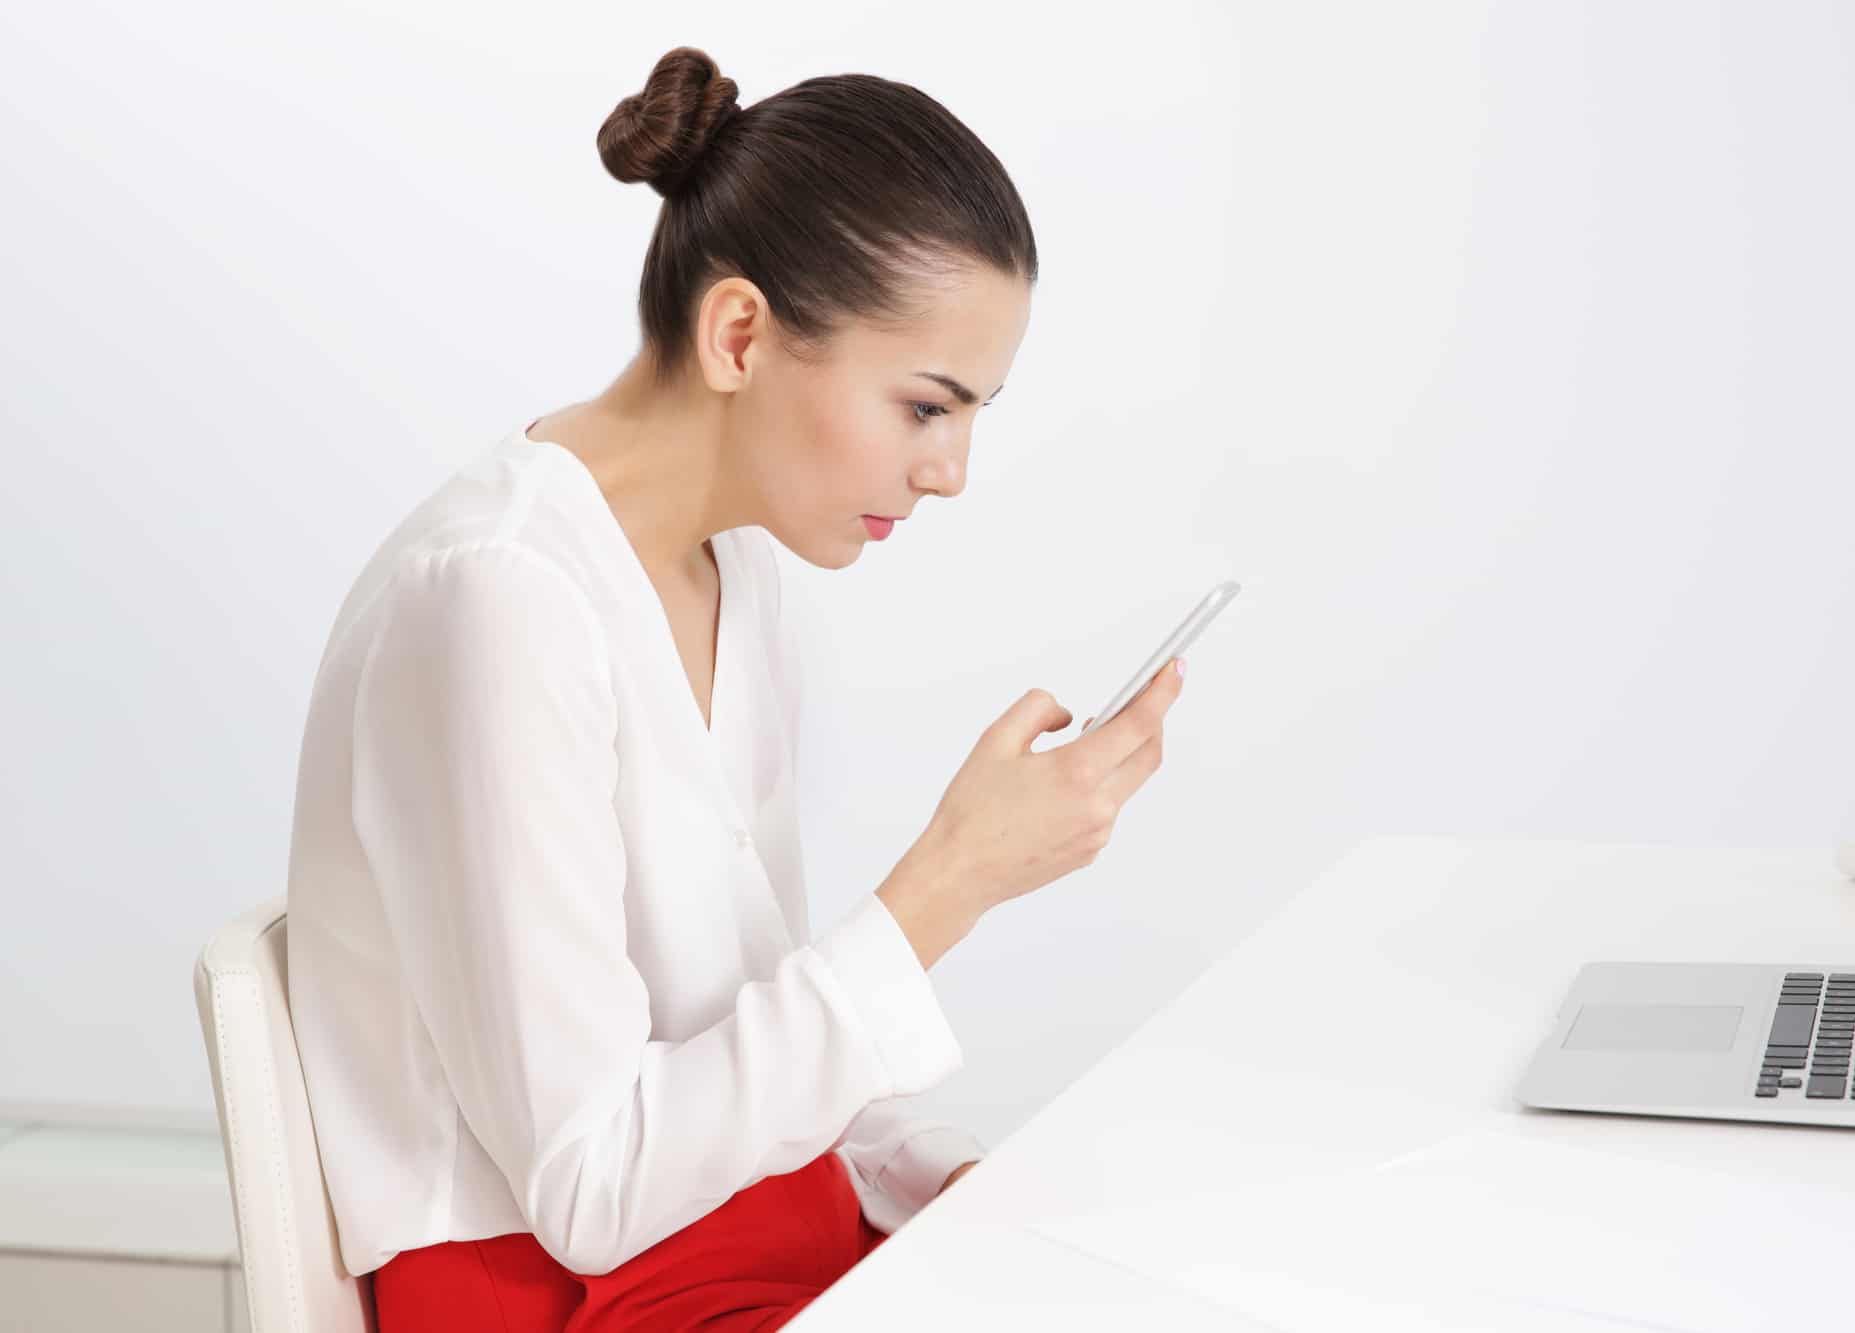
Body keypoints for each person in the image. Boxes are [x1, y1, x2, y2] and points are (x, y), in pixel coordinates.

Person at [285, 45, 1184, 1332]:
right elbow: (588, 1185)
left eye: (973, 411)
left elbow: (742, 1031)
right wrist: (951, 883)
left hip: (750, 1224)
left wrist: (926, 1176)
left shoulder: (733, 568)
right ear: (741, 333)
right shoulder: (497, 597)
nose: (952, 472)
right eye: (926, 406)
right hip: (566, 1291)